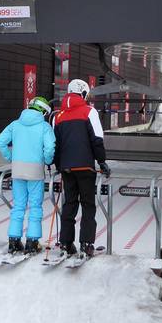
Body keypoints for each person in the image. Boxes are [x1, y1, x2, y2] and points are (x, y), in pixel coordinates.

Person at [52, 79, 110, 256]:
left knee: (69, 204)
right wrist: (102, 161)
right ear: (83, 93)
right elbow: (97, 139)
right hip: (85, 167)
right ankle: (86, 243)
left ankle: (66, 243)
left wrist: (58, 164)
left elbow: (56, 144)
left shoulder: (58, 116)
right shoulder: (89, 112)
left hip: (66, 168)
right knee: (88, 205)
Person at [0, 96, 56, 254]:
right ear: (43, 111)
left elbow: (0, 141)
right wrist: (48, 160)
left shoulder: (15, 124)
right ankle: (32, 242)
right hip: (35, 171)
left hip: (17, 170)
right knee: (35, 206)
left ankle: (14, 241)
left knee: (18, 206)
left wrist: (10, 157)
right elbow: (50, 148)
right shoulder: (44, 127)